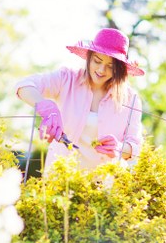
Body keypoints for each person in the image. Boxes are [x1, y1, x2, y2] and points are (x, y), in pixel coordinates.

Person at [15, 28, 145, 171]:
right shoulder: (67, 79)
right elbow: (24, 86)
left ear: (119, 69)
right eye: (97, 61)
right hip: (60, 177)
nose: (101, 70)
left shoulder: (130, 99)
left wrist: (120, 148)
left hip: (104, 184)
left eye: (110, 66)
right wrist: (46, 107)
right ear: (89, 57)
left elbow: (135, 146)